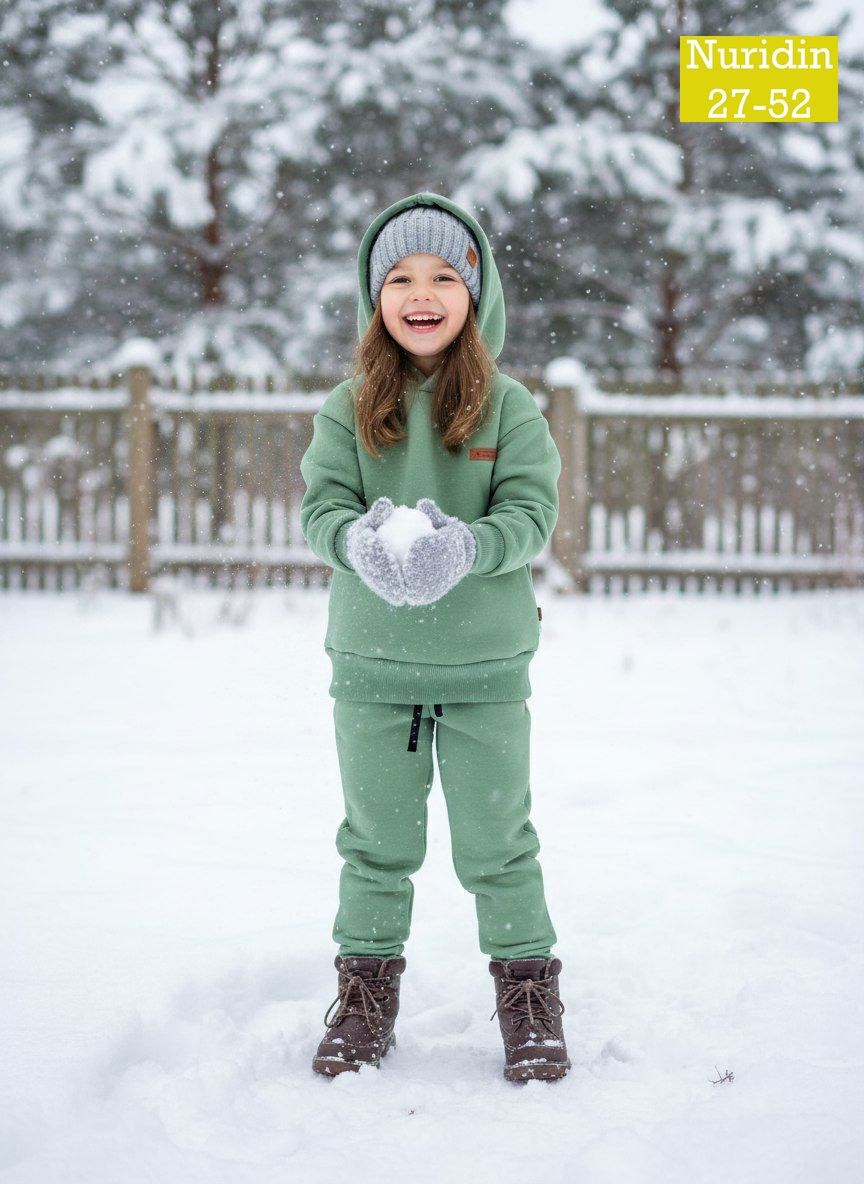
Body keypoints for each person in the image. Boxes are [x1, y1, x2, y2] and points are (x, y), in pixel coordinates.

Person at [299, 191, 570, 1082]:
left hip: (487, 666)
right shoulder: (348, 405)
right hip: (372, 664)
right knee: (375, 843)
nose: (422, 293)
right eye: (401, 277)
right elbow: (321, 509)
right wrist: (354, 543)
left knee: (499, 844)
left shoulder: (510, 406)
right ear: (376, 296)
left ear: (475, 290)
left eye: (443, 275)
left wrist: (469, 547)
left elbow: (532, 514)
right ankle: (366, 996)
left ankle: (528, 996)